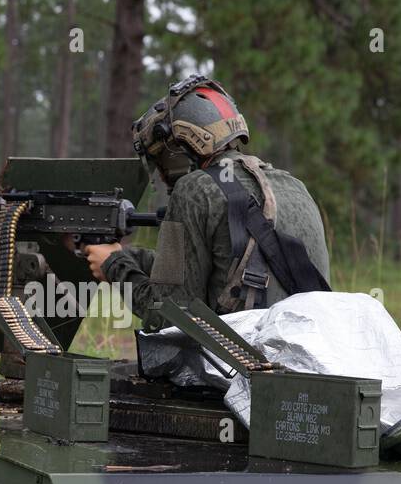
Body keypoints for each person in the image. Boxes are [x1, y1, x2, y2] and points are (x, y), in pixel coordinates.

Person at [81, 74, 332, 330]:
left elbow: (168, 317)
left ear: (181, 146)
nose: (161, 174)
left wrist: (114, 266)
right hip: (305, 359)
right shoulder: (294, 186)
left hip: (237, 365)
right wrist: (130, 256)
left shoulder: (194, 189)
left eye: (161, 158)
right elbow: (215, 269)